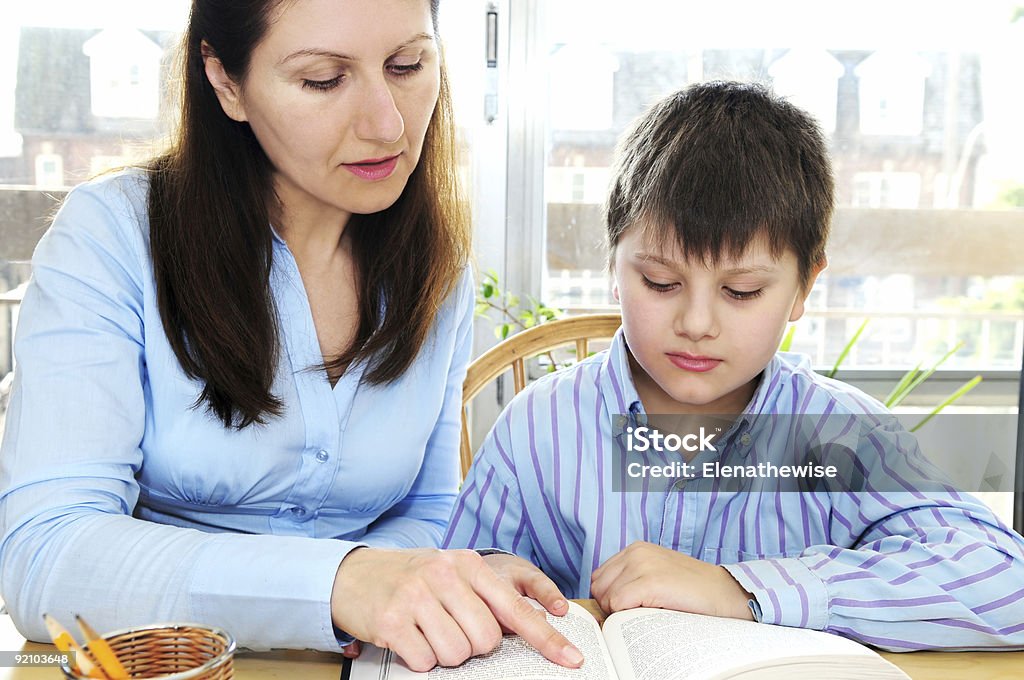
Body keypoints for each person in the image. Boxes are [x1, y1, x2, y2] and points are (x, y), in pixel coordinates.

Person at [0, 0, 584, 671]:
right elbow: (42, 555)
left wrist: (406, 586)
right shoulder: (114, 237)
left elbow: (430, 507)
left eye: (407, 65)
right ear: (225, 80)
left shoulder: (436, 266)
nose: (387, 124)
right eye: (323, 80)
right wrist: (340, 582)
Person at [444, 81, 1024, 650]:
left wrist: (744, 589)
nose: (697, 322)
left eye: (742, 291)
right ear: (613, 269)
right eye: (660, 282)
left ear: (803, 288)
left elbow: (1005, 581)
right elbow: (464, 575)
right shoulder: (536, 428)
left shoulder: (842, 435)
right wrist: (485, 576)